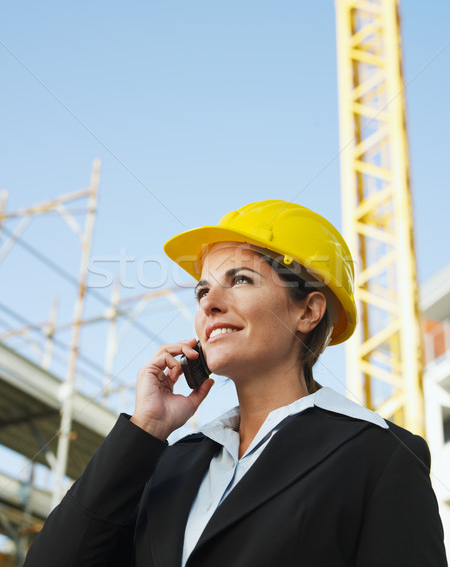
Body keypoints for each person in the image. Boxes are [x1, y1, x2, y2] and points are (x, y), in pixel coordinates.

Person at [24, 200, 447, 566]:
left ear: (308, 311)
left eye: (240, 280)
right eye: (202, 290)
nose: (209, 303)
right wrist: (145, 430)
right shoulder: (170, 464)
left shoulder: (379, 455)